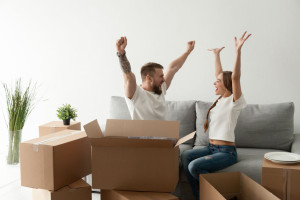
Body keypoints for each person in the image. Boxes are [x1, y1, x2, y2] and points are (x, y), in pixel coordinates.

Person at [181, 31, 251, 200]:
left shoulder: (234, 101)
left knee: (194, 166)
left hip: (226, 152)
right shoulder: (220, 100)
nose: (214, 82)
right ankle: (202, 197)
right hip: (212, 149)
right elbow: (219, 73)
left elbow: (235, 77)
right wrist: (216, 55)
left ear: (226, 85)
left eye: (218, 82)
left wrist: (238, 51)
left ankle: (220, 195)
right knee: (185, 156)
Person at [116, 36, 195, 120]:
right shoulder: (135, 94)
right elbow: (128, 76)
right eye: (161, 76)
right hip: (141, 133)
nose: (164, 79)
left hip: (163, 133)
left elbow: (173, 68)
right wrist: (121, 53)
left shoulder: (160, 88)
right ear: (149, 78)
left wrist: (188, 51)